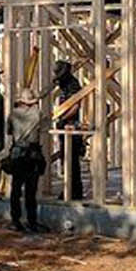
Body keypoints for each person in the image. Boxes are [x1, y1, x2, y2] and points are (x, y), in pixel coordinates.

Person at [4, 86, 46, 232]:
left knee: (16, 190)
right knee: (31, 191)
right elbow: (43, 127)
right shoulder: (38, 114)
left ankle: (16, 221)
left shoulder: (13, 114)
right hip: (33, 156)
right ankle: (32, 222)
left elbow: (9, 132)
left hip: (18, 154)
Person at [52, 59, 86, 200]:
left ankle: (74, 191)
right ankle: (71, 190)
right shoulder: (65, 83)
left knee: (71, 161)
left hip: (70, 125)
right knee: (66, 160)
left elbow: (75, 106)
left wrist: (62, 117)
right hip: (64, 124)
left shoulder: (72, 84)